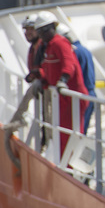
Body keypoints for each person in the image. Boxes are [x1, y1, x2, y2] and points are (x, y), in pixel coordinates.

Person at [28, 11, 88, 158]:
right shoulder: (48, 46)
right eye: (40, 31)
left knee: (70, 135)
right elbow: (49, 70)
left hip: (71, 97)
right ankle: (64, 165)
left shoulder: (60, 43)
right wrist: (41, 80)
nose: (42, 34)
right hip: (61, 98)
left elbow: (69, 65)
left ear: (53, 28)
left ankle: (71, 169)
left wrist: (63, 81)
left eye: (45, 30)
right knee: (62, 134)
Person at [57, 24, 97, 132]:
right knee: (81, 131)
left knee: (77, 131)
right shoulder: (84, 50)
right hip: (90, 93)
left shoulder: (73, 52)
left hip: (81, 94)